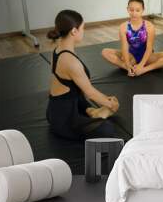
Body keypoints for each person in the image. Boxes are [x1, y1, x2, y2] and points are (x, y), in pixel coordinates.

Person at [46, 10, 120, 140]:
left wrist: (105, 100)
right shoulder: (71, 61)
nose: (83, 32)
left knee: (77, 95)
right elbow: (89, 93)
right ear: (74, 31)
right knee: (107, 129)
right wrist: (110, 105)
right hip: (64, 120)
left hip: (54, 110)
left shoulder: (58, 50)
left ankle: (92, 112)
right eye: (83, 28)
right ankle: (94, 113)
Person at [102, 0, 163, 76]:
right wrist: (127, 65)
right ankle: (129, 68)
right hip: (131, 56)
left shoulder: (149, 26)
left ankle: (145, 69)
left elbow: (149, 48)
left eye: (137, 10)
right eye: (131, 10)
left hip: (148, 57)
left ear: (143, 10)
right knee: (105, 52)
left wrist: (141, 66)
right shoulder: (123, 27)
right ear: (127, 9)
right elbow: (124, 48)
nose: (134, 13)